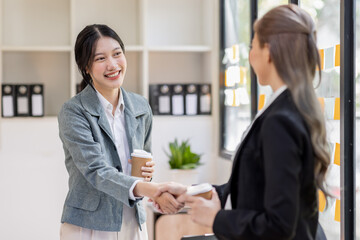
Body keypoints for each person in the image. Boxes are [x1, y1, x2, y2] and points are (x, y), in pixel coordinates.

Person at [162, 4, 331, 240]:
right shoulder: (289, 106)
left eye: (252, 45)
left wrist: (215, 219)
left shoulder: (280, 121)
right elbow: (259, 184)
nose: (250, 54)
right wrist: (199, 192)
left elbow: (279, 226)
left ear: (268, 52)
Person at [58, 24, 183, 240]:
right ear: (86, 67)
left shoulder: (140, 106)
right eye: (100, 58)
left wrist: (148, 176)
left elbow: (142, 163)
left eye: (117, 54)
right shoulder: (74, 111)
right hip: (88, 227)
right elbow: (96, 171)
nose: (112, 64)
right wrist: (154, 190)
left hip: (133, 220)